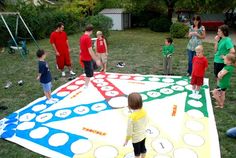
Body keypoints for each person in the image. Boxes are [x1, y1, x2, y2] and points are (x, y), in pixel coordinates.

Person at [124, 92, 148, 158]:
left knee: (137, 153)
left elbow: (129, 131)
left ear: (130, 104)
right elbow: (146, 122)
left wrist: (126, 140)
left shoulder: (131, 117)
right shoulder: (144, 111)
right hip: (143, 135)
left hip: (136, 139)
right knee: (143, 149)